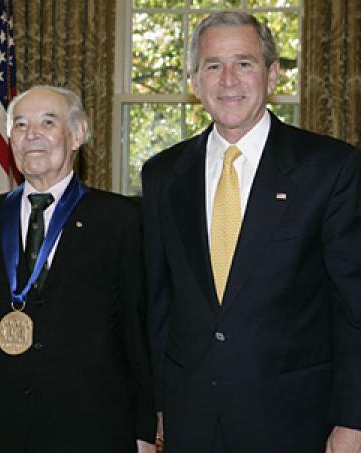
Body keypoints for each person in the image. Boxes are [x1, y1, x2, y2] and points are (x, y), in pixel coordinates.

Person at [142, 10, 361, 453]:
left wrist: (352, 421)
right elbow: (159, 303)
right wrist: (153, 407)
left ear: (272, 74)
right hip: (191, 420)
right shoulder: (162, 174)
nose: (228, 80)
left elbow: (353, 308)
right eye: (212, 66)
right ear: (193, 81)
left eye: (243, 63)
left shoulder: (330, 168)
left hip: (296, 420)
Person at [0, 85, 157, 452]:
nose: (32, 135)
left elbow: (137, 330)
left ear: (77, 134)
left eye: (48, 122)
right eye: (20, 125)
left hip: (92, 426)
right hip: (0, 427)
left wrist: (143, 430)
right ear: (9, 138)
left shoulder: (122, 220)